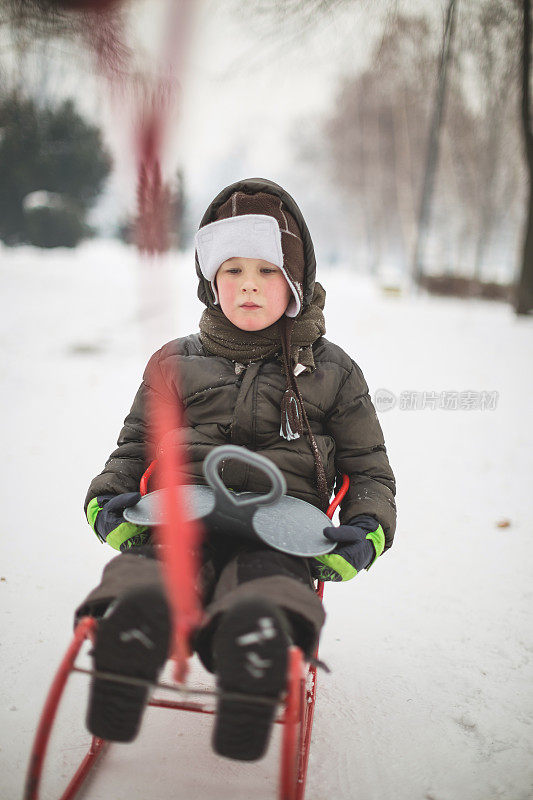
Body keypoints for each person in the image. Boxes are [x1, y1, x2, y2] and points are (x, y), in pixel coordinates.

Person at [76, 177, 396, 762]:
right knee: (164, 561)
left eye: (268, 271)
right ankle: (134, 628)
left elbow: (369, 468)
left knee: (269, 580)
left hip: (284, 524)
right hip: (184, 509)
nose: (249, 286)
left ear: (295, 279)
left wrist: (367, 529)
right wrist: (109, 496)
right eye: (233, 271)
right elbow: (135, 445)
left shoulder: (333, 372)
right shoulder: (175, 362)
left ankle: (257, 646)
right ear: (209, 282)